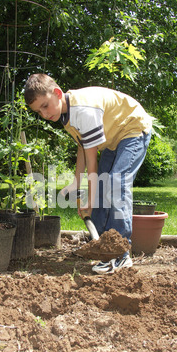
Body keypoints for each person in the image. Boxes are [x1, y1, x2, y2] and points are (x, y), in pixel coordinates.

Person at [25, 73, 153, 274]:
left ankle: (120, 254)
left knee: (116, 183)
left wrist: (89, 201)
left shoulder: (83, 110)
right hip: (112, 138)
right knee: (103, 186)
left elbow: (92, 163)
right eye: (38, 111)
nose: (44, 114)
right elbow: (83, 147)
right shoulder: (65, 114)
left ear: (57, 94)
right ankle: (103, 247)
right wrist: (77, 182)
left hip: (132, 129)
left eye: (45, 106)